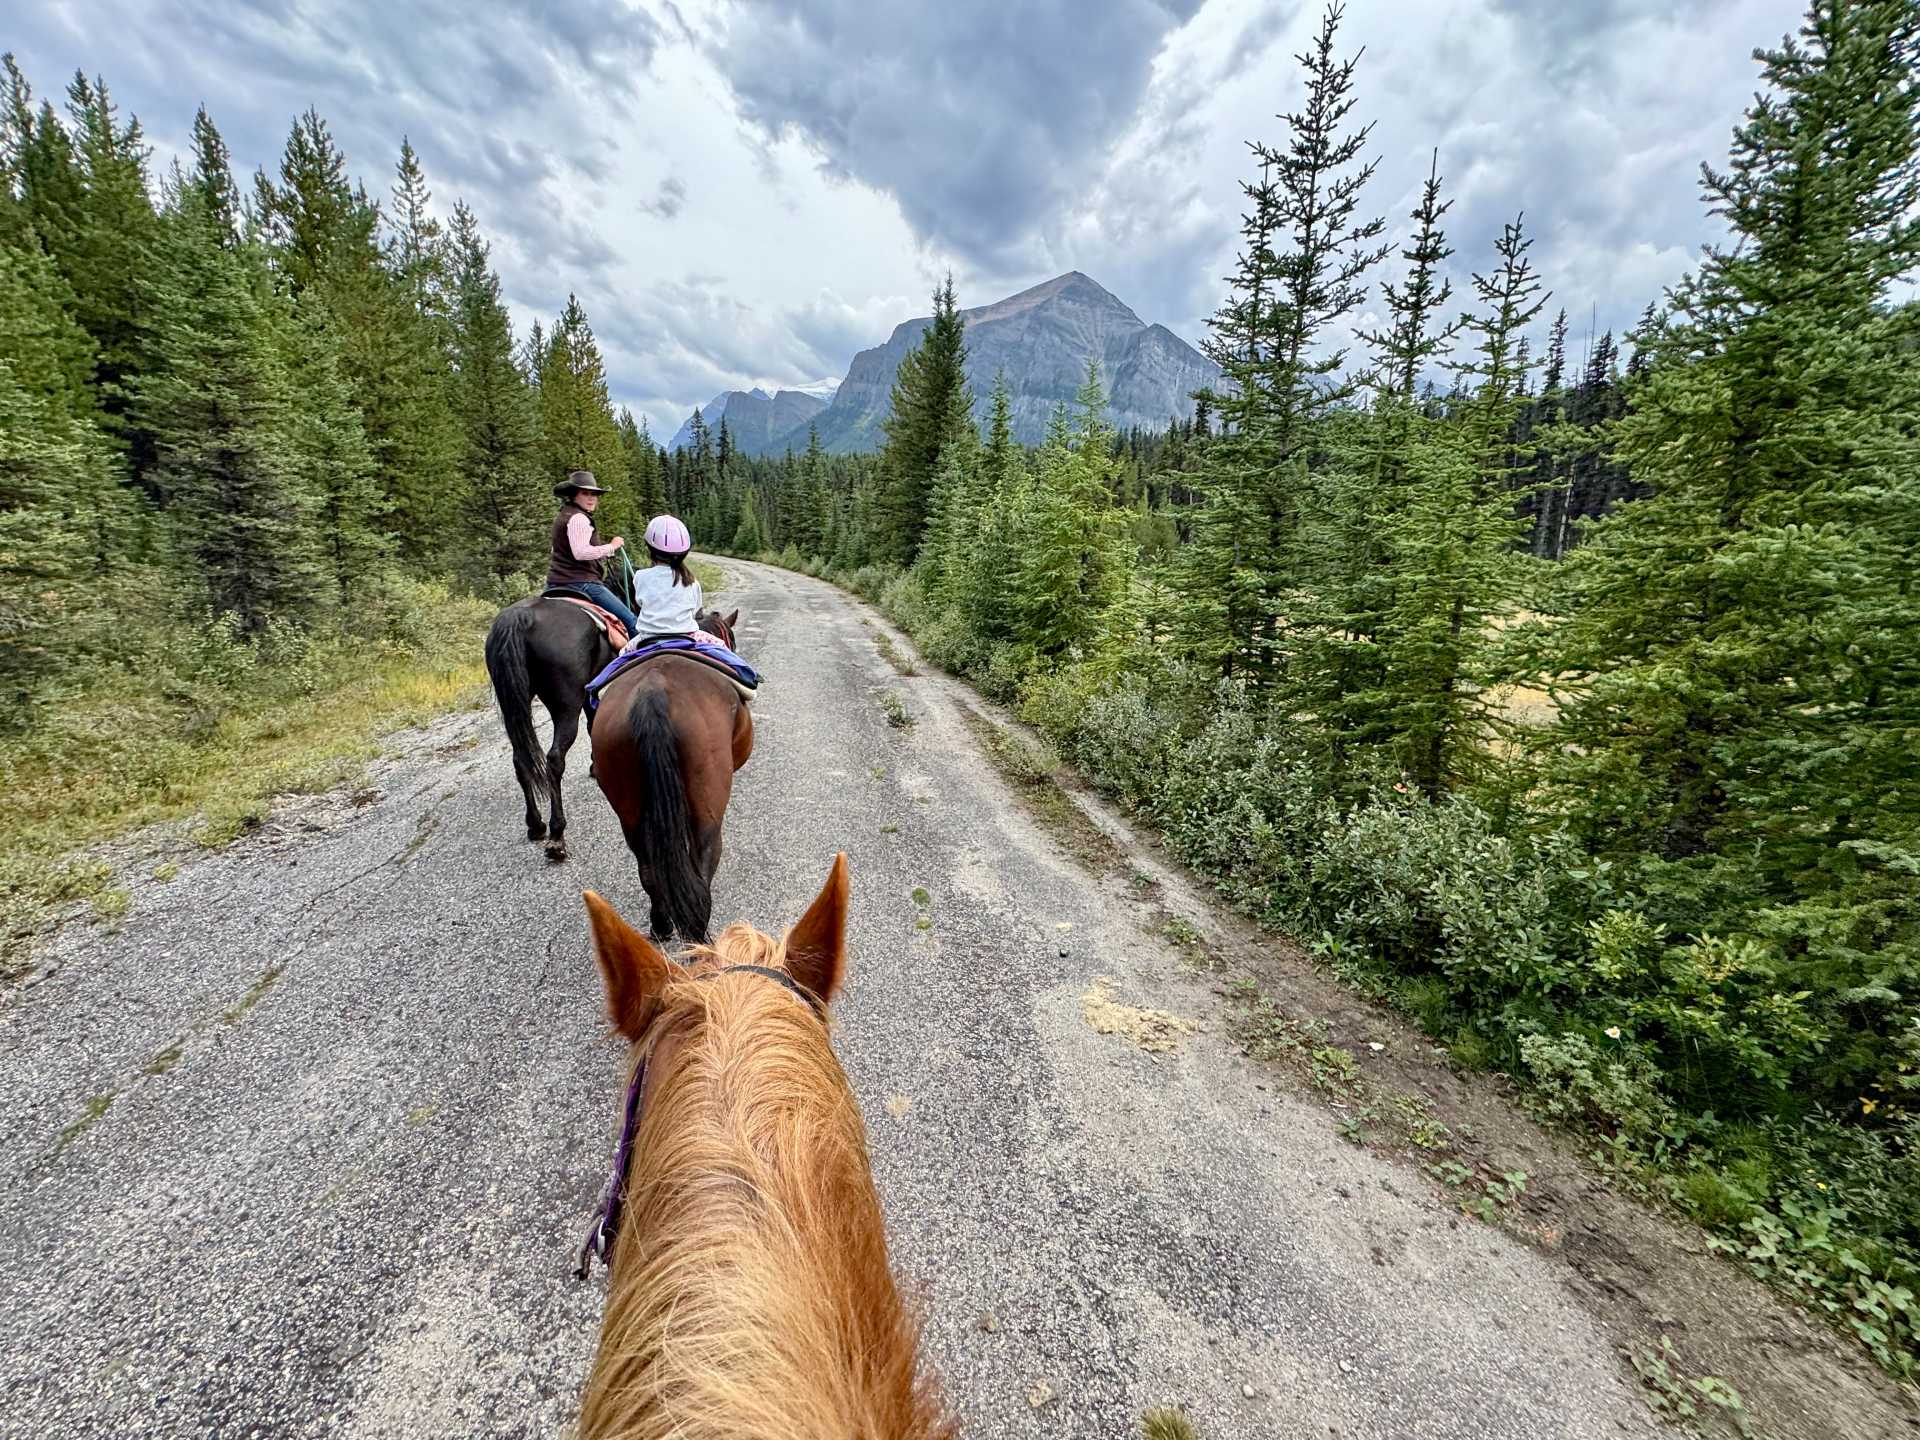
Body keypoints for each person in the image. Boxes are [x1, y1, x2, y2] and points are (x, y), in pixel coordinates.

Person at [546, 470, 639, 634]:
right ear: (574, 495)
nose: (591, 498)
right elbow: (580, 553)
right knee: (631, 621)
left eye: (594, 494)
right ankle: (637, 658)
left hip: (554, 583)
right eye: (585, 493)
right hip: (582, 583)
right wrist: (612, 546)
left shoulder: (563, 515)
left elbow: (557, 550)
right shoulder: (579, 518)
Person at [623, 514, 710, 646]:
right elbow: (694, 611)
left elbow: (640, 603)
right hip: (688, 636)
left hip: (647, 638)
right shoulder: (692, 582)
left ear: (650, 549)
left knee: (621, 656)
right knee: (723, 648)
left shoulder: (640, 577)